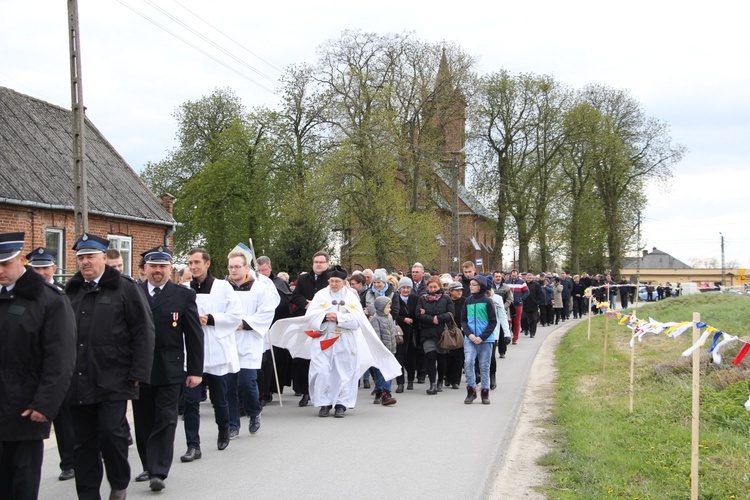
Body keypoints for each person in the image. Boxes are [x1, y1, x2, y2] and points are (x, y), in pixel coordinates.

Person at [65, 233, 155, 500]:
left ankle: (118, 482)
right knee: (83, 443)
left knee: (111, 433)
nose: (85, 262)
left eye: (90, 256)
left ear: (104, 257)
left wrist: (139, 373)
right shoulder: (71, 291)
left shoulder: (125, 289)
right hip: (78, 379)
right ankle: (88, 493)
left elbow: (143, 332)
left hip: (114, 377)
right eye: (81, 257)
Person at [268, 265, 401, 418]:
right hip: (324, 338)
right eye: (331, 281)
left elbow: (358, 321)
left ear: (344, 282)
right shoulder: (321, 295)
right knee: (322, 371)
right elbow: (310, 318)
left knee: (344, 372)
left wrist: (339, 318)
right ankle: (324, 403)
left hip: (344, 339)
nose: (334, 284)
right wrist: (324, 317)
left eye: (337, 281)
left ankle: (341, 404)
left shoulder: (351, 297)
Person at [0, 234, 76, 498]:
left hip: (25, 406)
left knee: (21, 483)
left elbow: (61, 357)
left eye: (5, 263)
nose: (0, 270)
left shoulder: (49, 299)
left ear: (22, 260)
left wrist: (45, 403)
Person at [131, 246, 203, 492]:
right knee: (143, 421)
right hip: (140, 369)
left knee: (166, 418)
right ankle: (148, 465)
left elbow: (194, 336)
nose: (158, 271)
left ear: (170, 269)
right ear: (145, 269)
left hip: (170, 368)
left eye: (162, 266)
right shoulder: (133, 292)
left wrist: (195, 370)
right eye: (153, 266)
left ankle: (158, 470)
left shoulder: (183, 296)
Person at [181, 248, 243, 463]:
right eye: (190, 262)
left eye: (197, 262)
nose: (193, 266)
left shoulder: (223, 287)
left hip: (215, 348)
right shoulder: (183, 289)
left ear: (207, 263)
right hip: (191, 352)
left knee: (219, 398)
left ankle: (223, 429)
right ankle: (193, 445)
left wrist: (213, 319)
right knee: (190, 402)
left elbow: (236, 315)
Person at [25, 247, 76, 482]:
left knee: (64, 417)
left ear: (54, 269)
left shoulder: (62, 293)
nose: (41, 272)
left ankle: (69, 461)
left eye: (45, 268)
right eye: (36, 268)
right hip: (30, 369)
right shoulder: (23, 295)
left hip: (58, 366)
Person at [225, 250, 279, 440]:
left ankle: (254, 412)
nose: (233, 270)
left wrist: (244, 324)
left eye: (237, 266)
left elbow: (266, 312)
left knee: (246, 383)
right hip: (227, 341)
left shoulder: (259, 288)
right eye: (231, 267)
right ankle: (232, 424)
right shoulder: (223, 288)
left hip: (248, 341)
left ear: (247, 267)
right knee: (229, 385)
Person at [290, 251, 330, 406]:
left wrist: (318, 306)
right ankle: (305, 391)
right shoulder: (303, 278)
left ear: (327, 264)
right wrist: (307, 304)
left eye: (321, 262)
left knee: (320, 358)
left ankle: (322, 391)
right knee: (302, 357)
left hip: (322, 322)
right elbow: (295, 295)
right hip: (305, 320)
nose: (318, 265)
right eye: (316, 262)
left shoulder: (329, 279)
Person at [256, 255, 294, 407]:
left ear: (270, 268)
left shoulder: (279, 283)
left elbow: (285, 304)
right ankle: (263, 391)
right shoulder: (255, 284)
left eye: (264, 270)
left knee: (274, 360)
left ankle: (271, 390)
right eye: (259, 270)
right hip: (261, 328)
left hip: (275, 326)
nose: (262, 273)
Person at [416, 276, 455, 395]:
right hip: (427, 333)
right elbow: (418, 314)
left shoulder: (446, 298)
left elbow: (451, 313)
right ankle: (432, 384)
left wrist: (439, 318)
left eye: (435, 287)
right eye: (430, 287)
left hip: (442, 333)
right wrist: (431, 319)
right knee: (430, 356)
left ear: (440, 287)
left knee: (441, 359)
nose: (432, 289)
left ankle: (439, 381)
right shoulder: (422, 299)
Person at [461, 277, 497, 404]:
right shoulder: (468, 301)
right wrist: (470, 335)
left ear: (480, 286)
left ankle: (485, 392)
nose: (470, 287)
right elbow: (463, 320)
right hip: (470, 339)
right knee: (469, 362)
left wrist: (482, 337)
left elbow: (493, 321)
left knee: (484, 366)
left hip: (485, 340)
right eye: (470, 284)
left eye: (473, 285)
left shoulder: (488, 302)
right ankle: (471, 391)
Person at [369, 296, 399, 406]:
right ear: (381, 307)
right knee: (380, 374)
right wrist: (381, 349)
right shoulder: (376, 319)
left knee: (388, 372)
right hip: (381, 351)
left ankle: (386, 393)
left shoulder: (389, 316)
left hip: (390, 350)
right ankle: (380, 392)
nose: (390, 309)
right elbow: (377, 336)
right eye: (388, 307)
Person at [394, 276, 419, 392]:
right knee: (399, 357)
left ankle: (410, 380)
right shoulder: (395, 298)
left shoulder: (415, 299)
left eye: (408, 288)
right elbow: (394, 314)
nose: (406, 290)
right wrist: (403, 319)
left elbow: (418, 313)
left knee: (411, 358)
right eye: (403, 287)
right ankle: (400, 383)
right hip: (399, 332)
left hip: (412, 332)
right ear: (399, 288)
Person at [445, 281, 465, 389]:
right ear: (451, 291)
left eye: (461, 290)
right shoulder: (445, 301)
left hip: (460, 332)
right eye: (457, 290)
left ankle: (455, 380)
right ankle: (447, 377)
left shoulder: (465, 301)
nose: (459, 292)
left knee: (458, 356)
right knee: (447, 356)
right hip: (447, 331)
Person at [506, 269, 528, 344]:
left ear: (517, 275)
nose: (514, 276)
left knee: (516, 321)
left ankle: (515, 338)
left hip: (518, 304)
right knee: (508, 321)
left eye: (515, 275)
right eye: (513, 275)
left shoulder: (522, 282)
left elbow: (527, 292)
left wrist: (521, 299)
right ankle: (507, 336)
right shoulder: (507, 282)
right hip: (509, 304)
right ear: (511, 275)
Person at [522, 273, 542, 338]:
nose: (528, 279)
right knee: (524, 318)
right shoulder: (523, 284)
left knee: (533, 319)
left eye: (530, 278)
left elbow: (539, 294)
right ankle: (526, 329)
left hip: (534, 305)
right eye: (527, 278)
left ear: (532, 278)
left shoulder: (536, 285)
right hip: (524, 304)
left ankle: (532, 332)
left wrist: (537, 301)